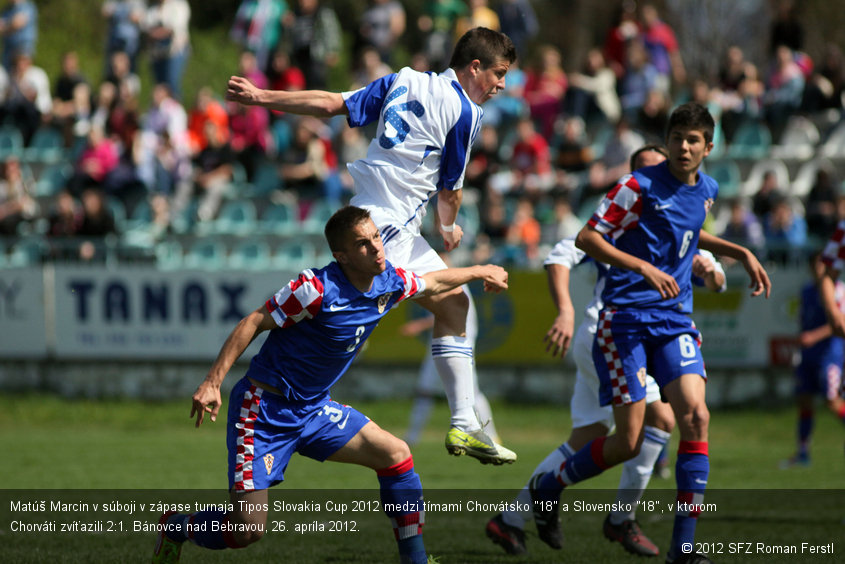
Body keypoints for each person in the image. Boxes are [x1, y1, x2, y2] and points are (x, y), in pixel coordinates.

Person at [151, 205, 510, 564]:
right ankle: (177, 527)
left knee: (396, 455)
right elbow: (253, 321)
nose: (376, 248)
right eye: (363, 244)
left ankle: (414, 560)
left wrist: (480, 271)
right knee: (247, 529)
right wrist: (212, 382)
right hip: (263, 411)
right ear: (342, 256)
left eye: (375, 238)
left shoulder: (390, 281)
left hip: (314, 409)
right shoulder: (315, 289)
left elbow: (432, 282)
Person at [225, 26, 518, 465]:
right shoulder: (467, 111)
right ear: (474, 67)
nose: (500, 85)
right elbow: (450, 189)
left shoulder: (403, 78)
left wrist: (262, 96)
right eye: (497, 73)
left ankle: (464, 423)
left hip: (365, 217)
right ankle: (461, 423)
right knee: (377, 314)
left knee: (452, 306)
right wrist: (450, 226)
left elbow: (330, 104)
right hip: (388, 232)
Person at [526, 103, 770, 564]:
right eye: (677, 137)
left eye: (693, 139)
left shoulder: (708, 190)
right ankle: (549, 485)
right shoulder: (637, 185)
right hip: (626, 323)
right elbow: (587, 237)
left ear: (708, 147)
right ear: (669, 138)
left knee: (695, 417)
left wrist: (739, 251)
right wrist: (642, 266)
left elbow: (690, 231)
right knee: (628, 442)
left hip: (675, 320)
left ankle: (683, 550)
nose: (683, 146)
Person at [486, 144, 726, 558]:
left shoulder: (675, 218)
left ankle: (510, 518)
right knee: (662, 419)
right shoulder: (617, 217)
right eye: (646, 173)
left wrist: (715, 270)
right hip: (613, 332)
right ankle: (621, 519)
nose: (657, 181)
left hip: (634, 333)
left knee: (589, 437)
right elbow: (562, 254)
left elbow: (714, 274)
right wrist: (565, 310)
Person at [780, 252, 845, 468]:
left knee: (832, 402)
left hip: (830, 355)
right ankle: (803, 452)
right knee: (804, 400)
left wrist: (814, 336)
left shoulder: (839, 290)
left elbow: (840, 322)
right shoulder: (807, 291)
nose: (818, 269)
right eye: (815, 264)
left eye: (822, 264)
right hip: (808, 355)